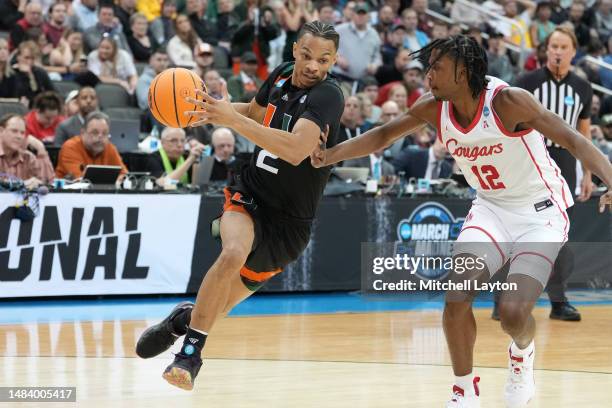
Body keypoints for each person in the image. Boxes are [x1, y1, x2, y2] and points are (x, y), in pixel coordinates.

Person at [309, 35, 612, 407]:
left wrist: (609, 179)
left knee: (514, 314)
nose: (428, 74)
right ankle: (464, 390)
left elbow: (574, 141)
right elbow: (384, 135)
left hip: (540, 214)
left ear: (463, 71)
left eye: (437, 67)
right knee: (456, 296)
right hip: (491, 209)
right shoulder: (434, 108)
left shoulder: (508, 102)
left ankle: (522, 356)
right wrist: (329, 155)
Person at [135, 21, 344, 391]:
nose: (313, 65)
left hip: (291, 223)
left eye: (323, 60)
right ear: (295, 49)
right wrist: (208, 110)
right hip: (252, 191)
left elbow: (296, 150)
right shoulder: (280, 74)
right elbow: (255, 111)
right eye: (307, 55)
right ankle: (189, 355)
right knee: (233, 251)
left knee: (217, 309)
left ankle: (181, 322)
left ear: (333, 61)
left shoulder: (328, 96)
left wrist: (232, 119)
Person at [500, 26, 595, 322]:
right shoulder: (526, 82)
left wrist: (588, 174)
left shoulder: (582, 87)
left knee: (559, 234)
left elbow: (584, 135)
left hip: (565, 162)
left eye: (563, 47)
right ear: (546, 49)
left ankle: (558, 301)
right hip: (529, 160)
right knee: (515, 229)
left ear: (573, 52)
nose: (557, 51)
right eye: (553, 46)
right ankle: (501, 298)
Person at [56, 112, 128, 179]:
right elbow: (81, 179)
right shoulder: (70, 147)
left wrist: (120, 180)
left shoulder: (110, 148)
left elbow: (125, 175)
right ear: (83, 133)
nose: (100, 137)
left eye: (105, 133)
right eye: (95, 132)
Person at [0, 113, 55, 188]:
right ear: (1, 131)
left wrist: (41, 150)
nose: (19, 136)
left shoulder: (28, 157)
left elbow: (49, 183)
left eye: (22, 133)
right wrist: (22, 184)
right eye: (14, 131)